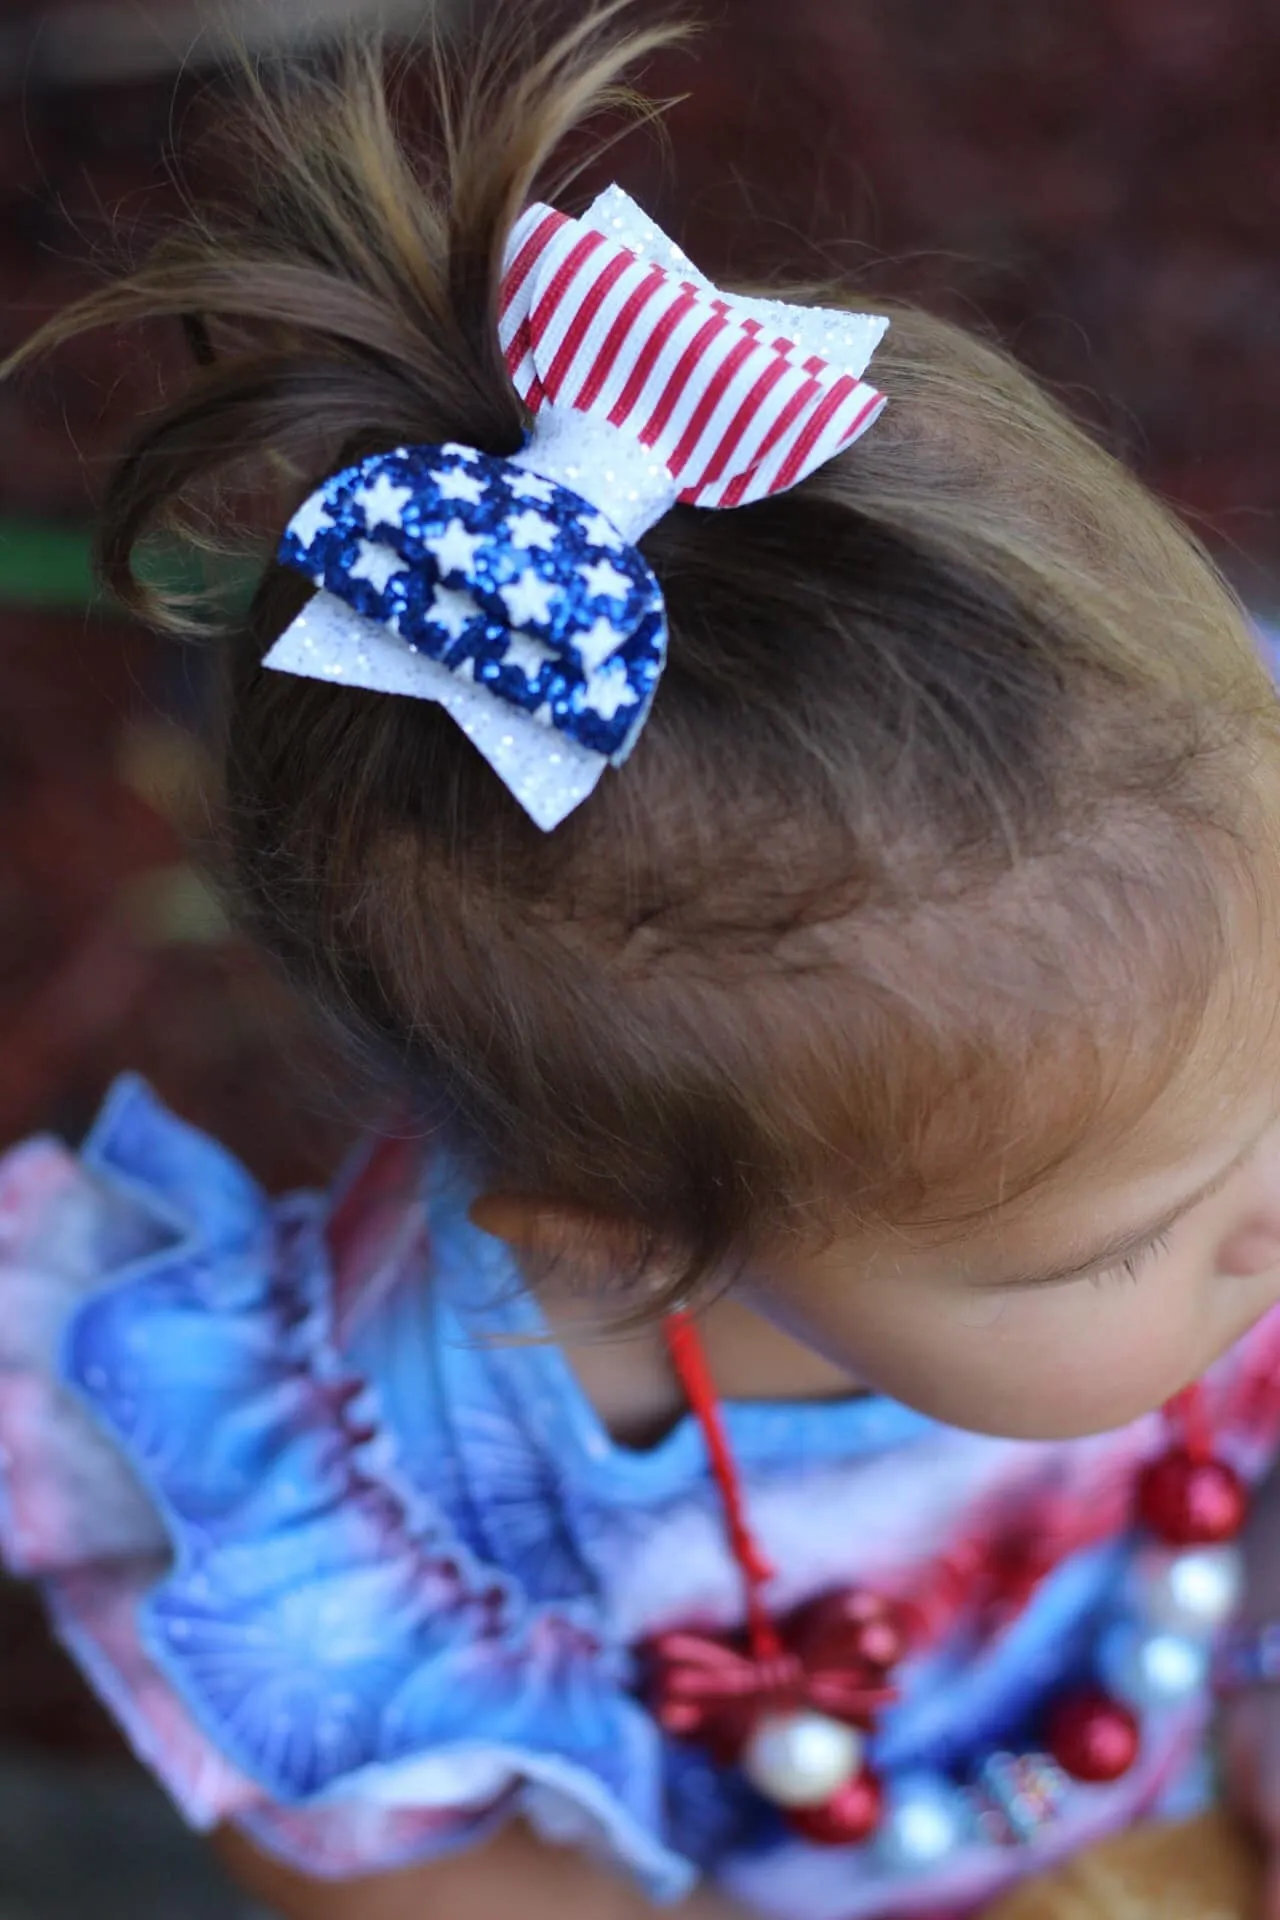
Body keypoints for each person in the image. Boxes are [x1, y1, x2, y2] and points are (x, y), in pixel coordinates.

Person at [4, 8, 1280, 1918]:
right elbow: (391, 1851)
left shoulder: (1176, 895)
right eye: (1109, 1246)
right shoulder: (408, 1479)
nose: (1272, 1217)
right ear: (611, 1234)